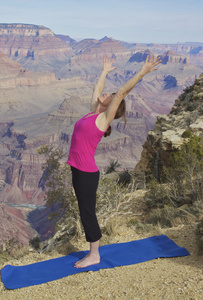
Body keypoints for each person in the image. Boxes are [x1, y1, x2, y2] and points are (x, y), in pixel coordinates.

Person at [67, 55, 161, 268]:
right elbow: (96, 91)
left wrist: (142, 72)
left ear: (113, 108)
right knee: (84, 210)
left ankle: (94, 254)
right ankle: (93, 251)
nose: (105, 94)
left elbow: (120, 93)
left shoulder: (103, 120)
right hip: (78, 170)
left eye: (108, 96)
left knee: (87, 212)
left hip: (86, 173)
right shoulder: (92, 113)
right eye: (105, 94)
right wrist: (104, 72)